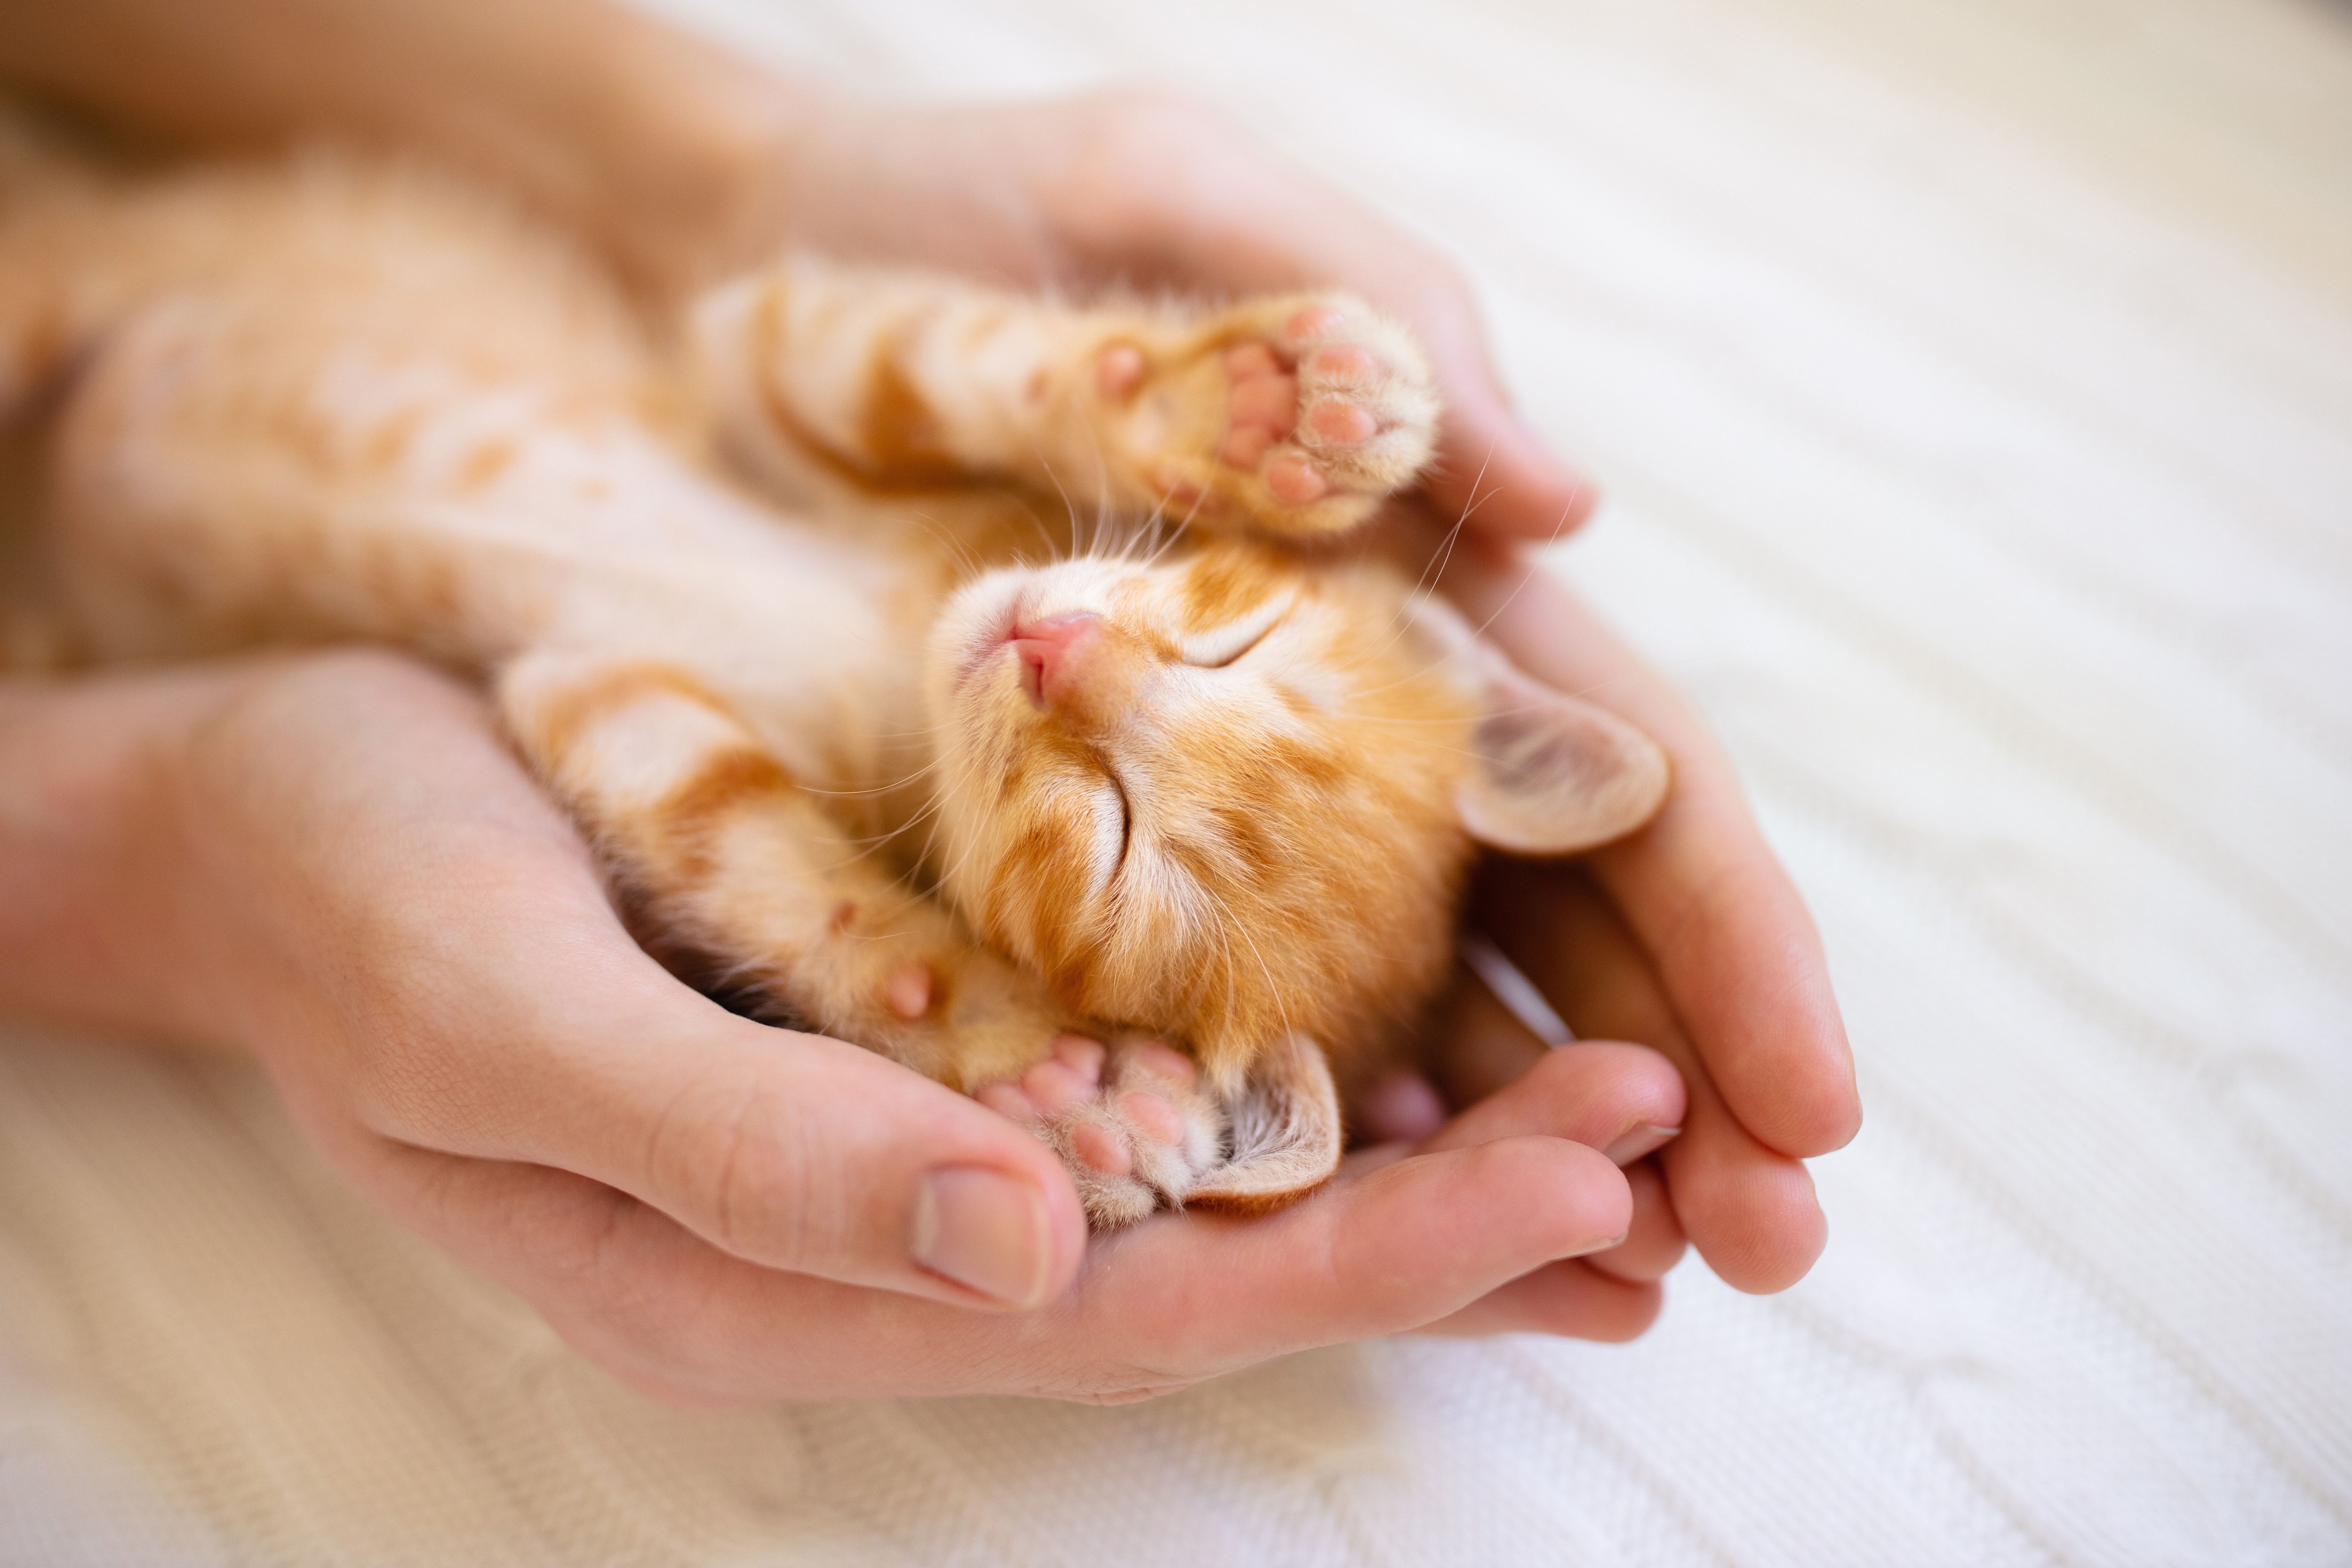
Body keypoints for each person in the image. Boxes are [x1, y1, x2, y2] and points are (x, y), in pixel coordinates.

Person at [0, 0, 1858, 1404]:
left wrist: (927, 996)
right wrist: (1105, 396)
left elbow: (591, 697)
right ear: (1417, 649)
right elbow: (775, 344)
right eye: (1220, 650)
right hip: (199, 263)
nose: (1083, 665)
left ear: (1105, 1011)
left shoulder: (868, 794)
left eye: (1116, 833)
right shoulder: (975, 541)